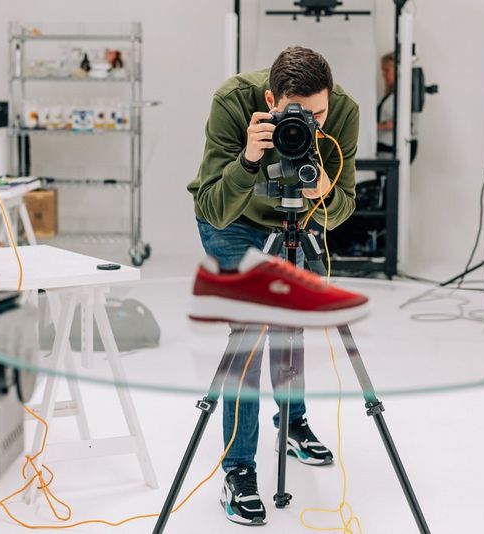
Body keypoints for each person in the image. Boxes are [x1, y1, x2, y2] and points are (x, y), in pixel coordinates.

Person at [186, 46, 359, 526]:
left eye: (318, 113)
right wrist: (248, 158)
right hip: (234, 219)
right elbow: (213, 208)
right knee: (250, 329)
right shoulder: (233, 100)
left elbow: (343, 206)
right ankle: (239, 469)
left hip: (295, 218)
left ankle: (293, 422)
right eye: (296, 115)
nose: (311, 123)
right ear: (269, 98)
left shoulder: (342, 110)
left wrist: (323, 189)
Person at [377, 51, 418, 161]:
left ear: (397, 70)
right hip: (384, 150)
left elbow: (402, 123)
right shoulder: (388, 95)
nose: (383, 74)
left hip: (392, 150)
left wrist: (375, 126)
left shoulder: (403, 95)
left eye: (386, 70)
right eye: (382, 71)